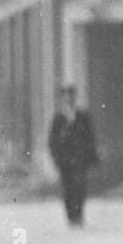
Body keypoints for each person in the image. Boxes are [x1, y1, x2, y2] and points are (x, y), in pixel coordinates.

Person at [48, 85, 99, 226]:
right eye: (65, 97)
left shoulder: (83, 116)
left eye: (71, 97)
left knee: (80, 187)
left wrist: (91, 156)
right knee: (68, 188)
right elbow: (52, 140)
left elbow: (90, 137)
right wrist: (57, 158)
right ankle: (71, 216)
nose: (68, 100)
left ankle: (79, 214)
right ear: (62, 100)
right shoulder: (58, 118)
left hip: (80, 160)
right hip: (65, 161)